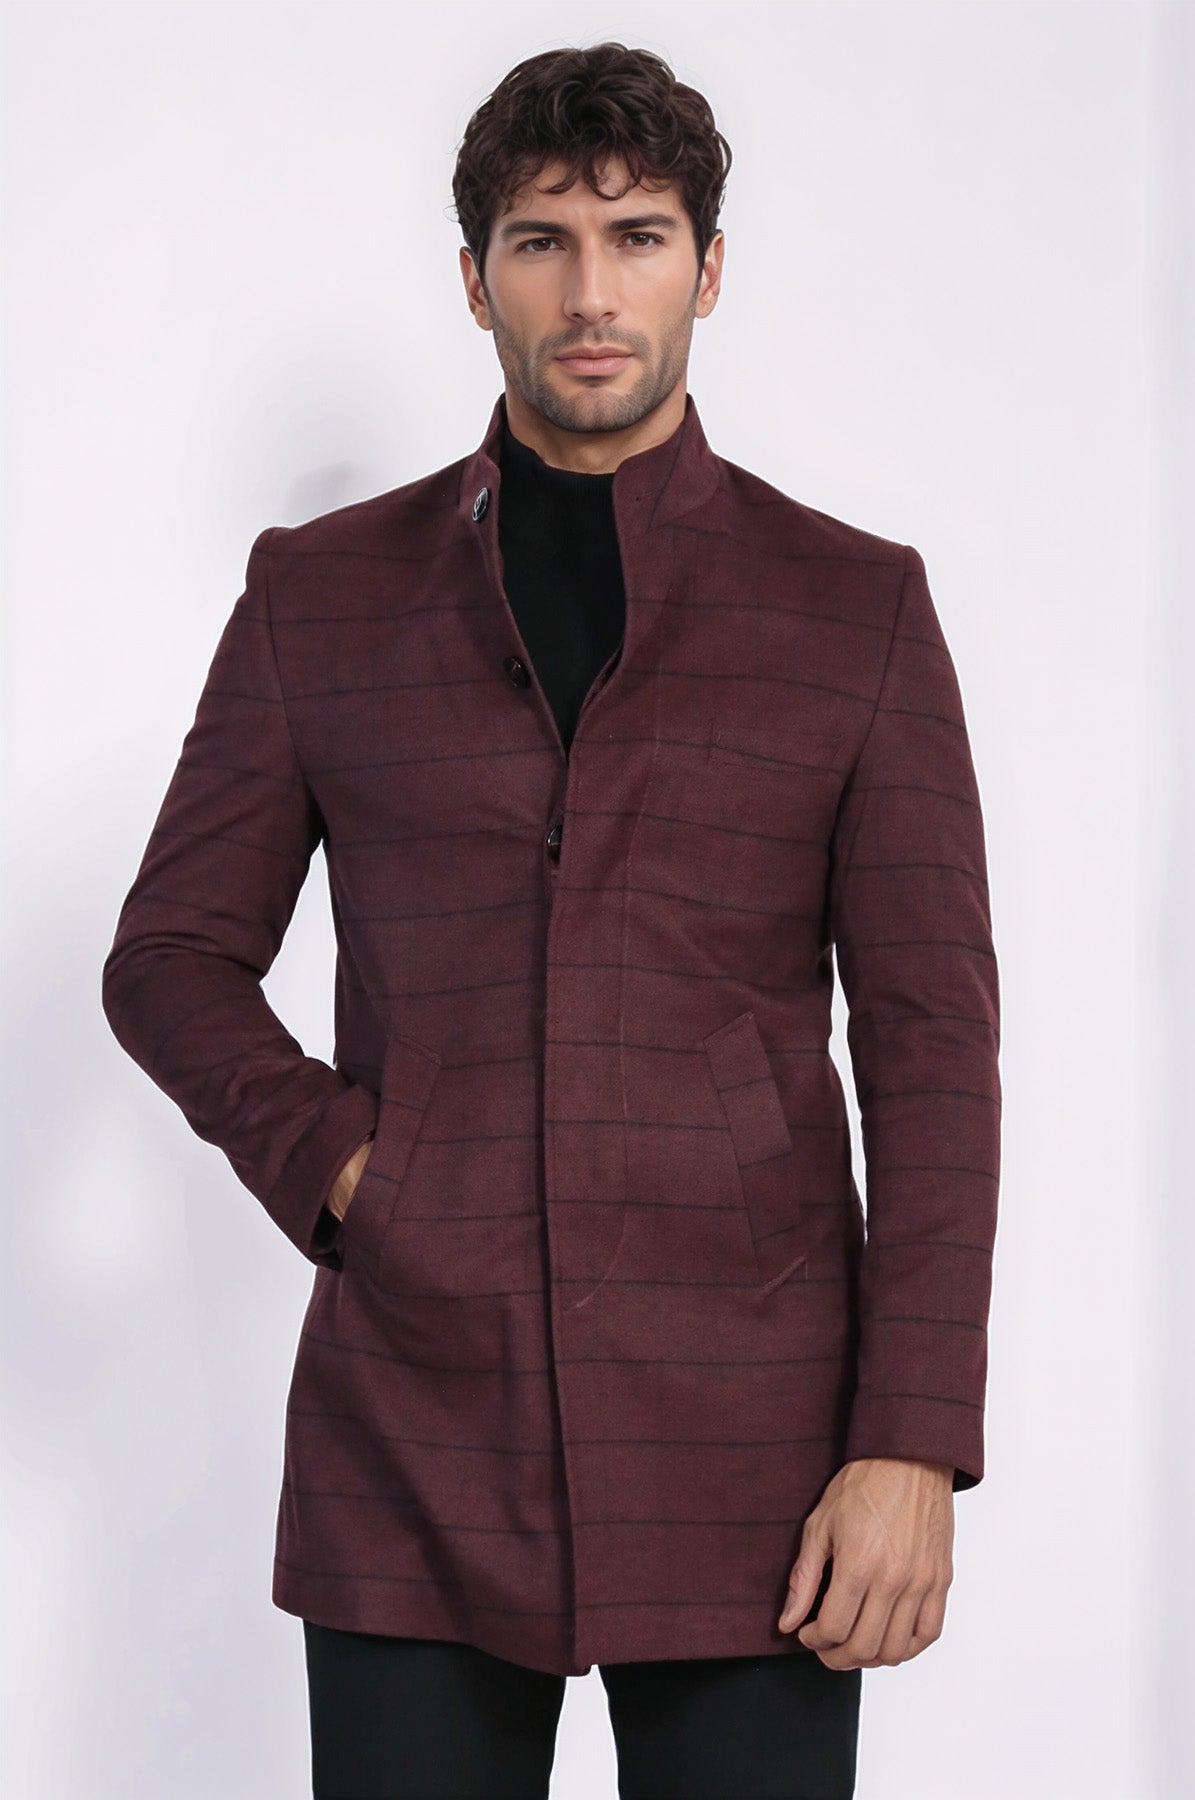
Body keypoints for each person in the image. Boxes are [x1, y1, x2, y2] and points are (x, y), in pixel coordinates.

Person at [101, 39, 1001, 1800]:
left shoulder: (857, 611)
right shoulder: (318, 597)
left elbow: (933, 1055)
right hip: (417, 1424)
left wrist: (912, 1439)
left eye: (639, 237)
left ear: (708, 270)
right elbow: (170, 960)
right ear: (476, 279)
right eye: (543, 242)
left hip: (759, 1439)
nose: (593, 295)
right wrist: (347, 1173)